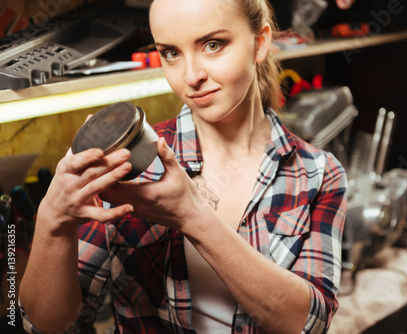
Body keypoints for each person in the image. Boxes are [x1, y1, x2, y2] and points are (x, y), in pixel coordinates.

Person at [19, 0, 347, 333]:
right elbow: (52, 327)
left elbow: (309, 323)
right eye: (172, 53)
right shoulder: (130, 161)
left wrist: (192, 216)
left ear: (260, 42)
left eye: (213, 45)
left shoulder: (318, 173)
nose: (191, 77)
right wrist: (53, 220)